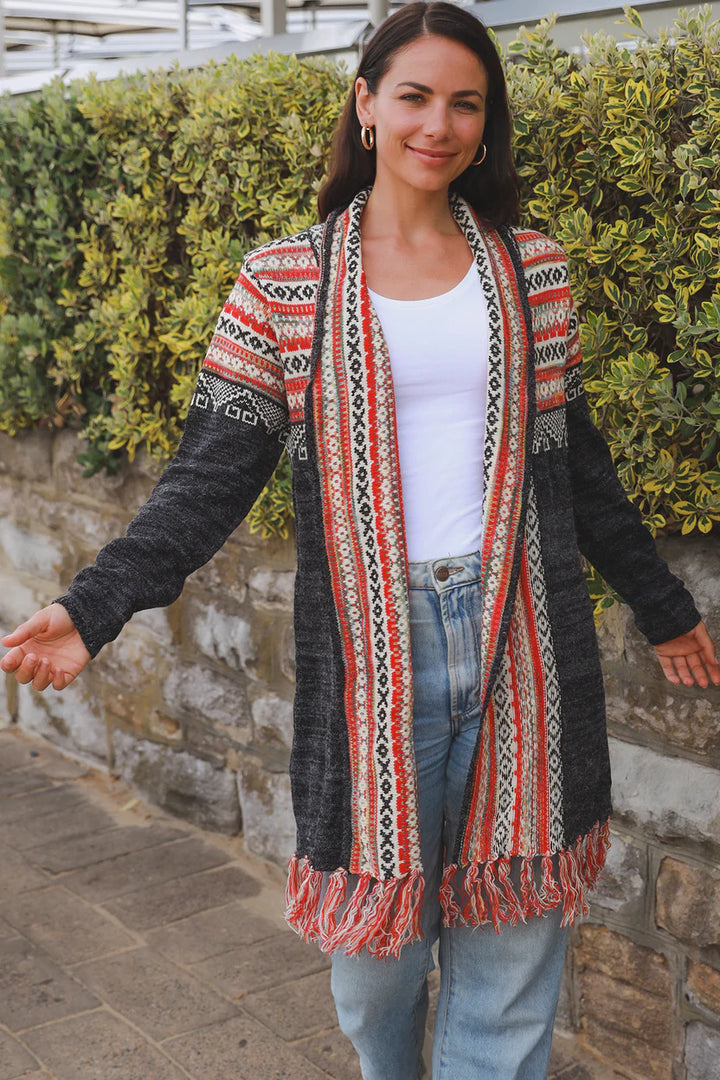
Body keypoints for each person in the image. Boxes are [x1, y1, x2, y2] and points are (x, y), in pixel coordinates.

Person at [2, 3, 719, 1077]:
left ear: (487, 122)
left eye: (465, 102)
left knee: (513, 946)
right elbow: (208, 477)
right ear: (367, 104)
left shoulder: (534, 271)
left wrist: (664, 610)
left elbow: (576, 469)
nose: (439, 123)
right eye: (416, 95)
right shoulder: (283, 281)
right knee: (375, 956)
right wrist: (94, 605)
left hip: (520, 636)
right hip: (374, 653)